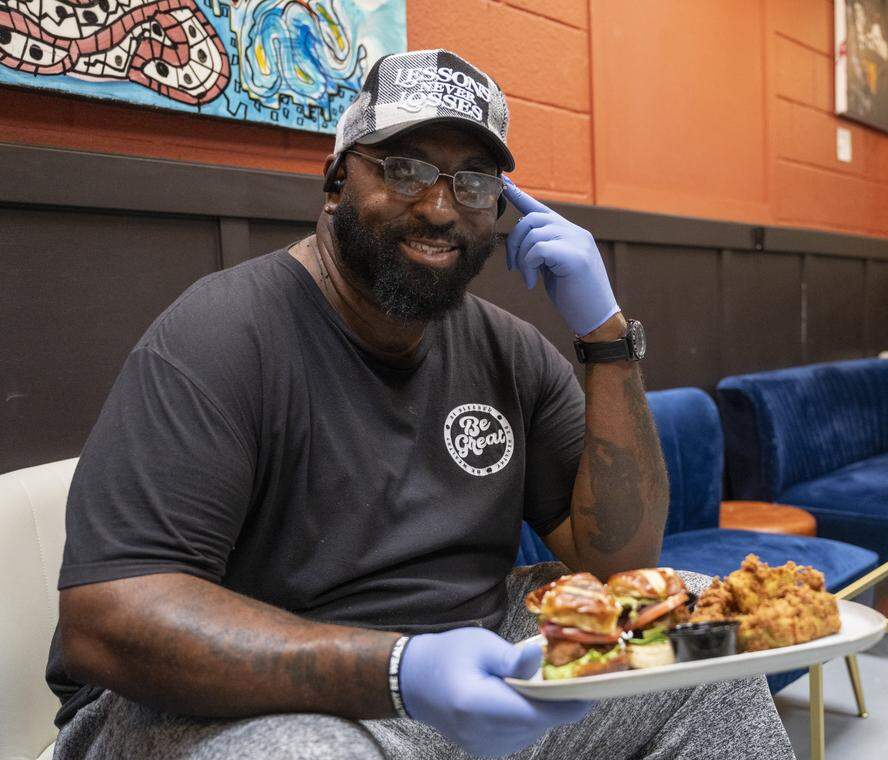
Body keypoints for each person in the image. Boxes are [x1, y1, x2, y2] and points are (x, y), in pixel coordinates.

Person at [47, 49, 795, 759]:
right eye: (405, 170)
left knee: (702, 634)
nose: (440, 208)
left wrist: (603, 335)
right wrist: (401, 670)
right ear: (337, 181)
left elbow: (619, 563)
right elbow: (109, 622)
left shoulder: (510, 351)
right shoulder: (223, 334)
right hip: (239, 705)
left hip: (457, 677)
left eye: (472, 182)